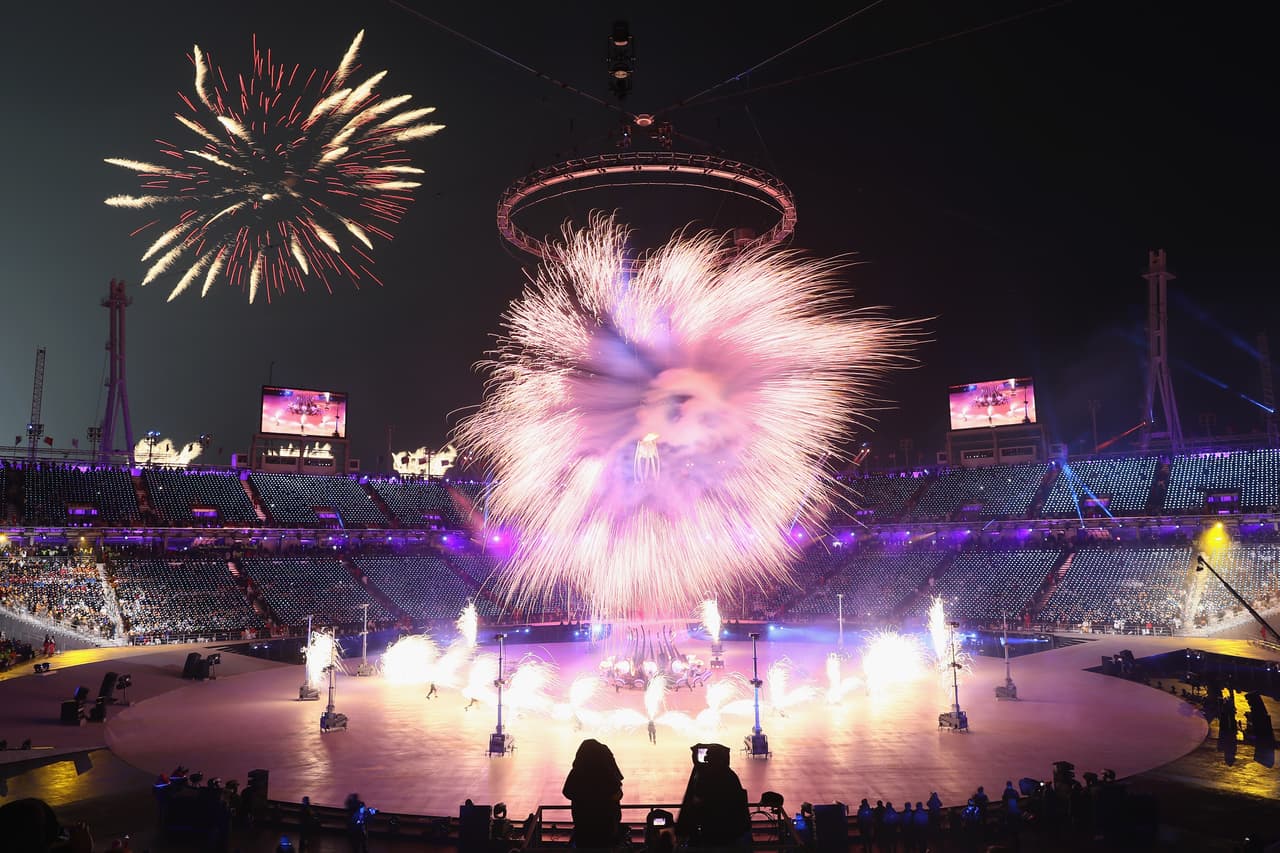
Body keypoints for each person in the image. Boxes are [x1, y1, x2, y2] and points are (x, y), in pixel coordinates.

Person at [676, 744, 750, 848]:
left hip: (710, 831)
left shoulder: (706, 777)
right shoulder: (730, 775)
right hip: (730, 832)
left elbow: (698, 801)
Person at [562, 739, 624, 849]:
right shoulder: (606, 772)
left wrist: (584, 798)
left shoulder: (578, 772)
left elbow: (567, 791)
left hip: (583, 825)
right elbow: (617, 793)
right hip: (605, 825)